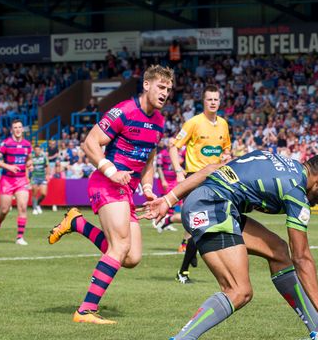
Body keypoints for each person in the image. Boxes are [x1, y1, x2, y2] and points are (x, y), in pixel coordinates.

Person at [144, 150, 318, 340]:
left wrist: (167, 200)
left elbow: (212, 168)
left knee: (279, 251)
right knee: (238, 291)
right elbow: (301, 257)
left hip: (215, 203)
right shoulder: (296, 192)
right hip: (213, 206)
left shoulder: (279, 161)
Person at [46, 65, 174, 324]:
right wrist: (111, 170)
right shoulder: (124, 111)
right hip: (106, 184)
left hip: (126, 190)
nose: (165, 93)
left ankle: (77, 223)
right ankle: (85, 310)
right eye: (161, 87)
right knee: (121, 246)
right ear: (147, 85)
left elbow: (148, 159)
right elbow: (90, 142)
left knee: (132, 258)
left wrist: (148, 189)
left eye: (169, 90)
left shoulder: (159, 121)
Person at [170, 84, 232, 284]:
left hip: (216, 179)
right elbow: (173, 146)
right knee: (201, 224)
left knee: (208, 225)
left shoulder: (223, 124)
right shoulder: (193, 123)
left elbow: (227, 150)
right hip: (196, 177)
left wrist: (228, 161)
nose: (213, 102)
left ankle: (191, 255)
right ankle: (183, 271)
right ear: (203, 102)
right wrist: (179, 171)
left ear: (219, 101)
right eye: (209, 99)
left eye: (216, 99)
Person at [0, 120, 33, 245]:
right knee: (4, 210)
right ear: (12, 130)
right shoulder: (6, 143)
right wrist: (9, 167)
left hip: (21, 180)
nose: (18, 129)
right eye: (15, 127)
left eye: (19, 127)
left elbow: (28, 159)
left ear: (22, 129)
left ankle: (19, 237)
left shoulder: (27, 145)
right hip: (7, 180)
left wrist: (29, 165)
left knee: (23, 207)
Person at [30, 145, 49, 215]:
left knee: (44, 194)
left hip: (42, 177)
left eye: (38, 150)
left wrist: (47, 175)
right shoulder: (32, 157)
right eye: (36, 150)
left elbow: (47, 166)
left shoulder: (44, 157)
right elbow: (28, 165)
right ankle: (34, 208)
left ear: (40, 150)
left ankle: (37, 204)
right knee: (34, 193)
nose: (37, 151)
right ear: (34, 150)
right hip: (34, 177)